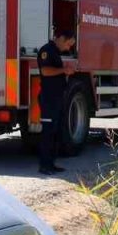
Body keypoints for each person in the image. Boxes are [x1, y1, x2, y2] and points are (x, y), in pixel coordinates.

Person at [36, 28, 76, 175]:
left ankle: (51, 164)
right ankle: (44, 166)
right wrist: (63, 70)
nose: (68, 48)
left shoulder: (55, 52)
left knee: (55, 132)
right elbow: (45, 71)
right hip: (49, 99)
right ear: (62, 38)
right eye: (68, 44)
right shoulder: (46, 50)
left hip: (56, 98)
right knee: (47, 133)